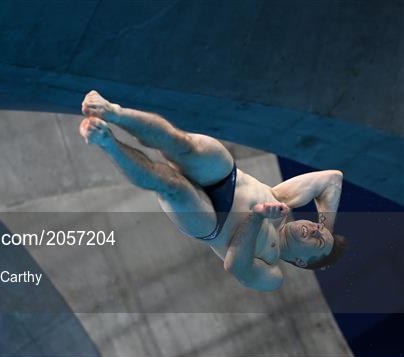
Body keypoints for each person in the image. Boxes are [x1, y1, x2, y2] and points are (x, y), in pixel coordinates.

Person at [79, 91, 347, 291]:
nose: (315, 230)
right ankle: (112, 111)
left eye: (317, 241)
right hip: (225, 177)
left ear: (301, 261)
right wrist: (327, 232)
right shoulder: (284, 200)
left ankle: (106, 141)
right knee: (180, 143)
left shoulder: (273, 272)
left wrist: (257, 217)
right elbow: (333, 179)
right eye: (318, 228)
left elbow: (235, 266)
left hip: (212, 222)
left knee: (171, 186)